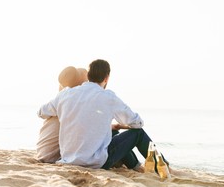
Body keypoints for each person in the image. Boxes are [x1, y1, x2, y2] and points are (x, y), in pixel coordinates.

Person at [37, 59, 168, 171]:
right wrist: (126, 124)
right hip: (96, 163)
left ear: (89, 76)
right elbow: (137, 122)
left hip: (68, 161)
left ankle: (136, 167)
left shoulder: (65, 95)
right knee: (138, 133)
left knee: (113, 133)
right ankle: (164, 166)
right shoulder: (108, 96)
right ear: (106, 78)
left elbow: (41, 112)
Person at [36, 66, 88, 163]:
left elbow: (40, 113)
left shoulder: (57, 103)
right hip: (53, 158)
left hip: (42, 154)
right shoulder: (71, 103)